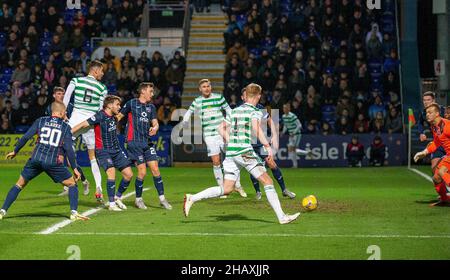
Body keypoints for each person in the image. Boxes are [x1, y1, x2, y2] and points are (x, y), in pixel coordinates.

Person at [183, 83, 300, 224]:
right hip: (244, 151)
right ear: (258, 95)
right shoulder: (255, 111)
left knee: (227, 189)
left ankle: (192, 198)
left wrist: (231, 141)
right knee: (268, 181)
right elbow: (256, 129)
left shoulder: (235, 110)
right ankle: (282, 217)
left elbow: (221, 128)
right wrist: (267, 145)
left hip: (231, 153)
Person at [0, 102, 88, 221]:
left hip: (35, 159)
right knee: (72, 184)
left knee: (19, 184)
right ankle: (74, 212)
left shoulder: (40, 121)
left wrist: (15, 151)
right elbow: (68, 149)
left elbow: (26, 137)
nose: (66, 114)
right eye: (65, 112)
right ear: (61, 112)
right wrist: (75, 168)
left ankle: (2, 211)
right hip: (52, 162)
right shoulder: (66, 127)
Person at [182, 79, 245, 197]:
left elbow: (228, 110)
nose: (206, 88)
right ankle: (222, 190)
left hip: (223, 132)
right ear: (200, 89)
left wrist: (231, 123)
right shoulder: (197, 101)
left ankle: (238, 184)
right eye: (204, 87)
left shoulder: (219, 97)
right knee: (216, 162)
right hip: (209, 135)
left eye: (208, 86)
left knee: (234, 157)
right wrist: (185, 121)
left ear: (211, 87)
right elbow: (189, 112)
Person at [71, 95, 133, 211]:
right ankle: (112, 204)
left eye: (120, 105)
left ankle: (117, 197)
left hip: (117, 150)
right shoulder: (100, 116)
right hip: (103, 151)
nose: (119, 107)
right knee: (111, 173)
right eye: (117, 104)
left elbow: (123, 112)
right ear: (109, 105)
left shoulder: (115, 117)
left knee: (128, 174)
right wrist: (68, 133)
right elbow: (83, 124)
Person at [116, 83, 172, 210]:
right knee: (142, 172)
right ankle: (138, 199)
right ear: (143, 91)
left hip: (147, 142)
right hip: (133, 142)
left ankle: (162, 199)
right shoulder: (131, 103)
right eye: (150, 91)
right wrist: (110, 126)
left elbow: (155, 122)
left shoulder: (151, 107)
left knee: (156, 170)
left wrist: (155, 128)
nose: (152, 94)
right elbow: (119, 116)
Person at [63, 60, 107, 203]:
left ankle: (77, 180)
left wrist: (63, 112)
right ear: (95, 71)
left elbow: (67, 96)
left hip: (75, 120)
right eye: (101, 71)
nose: (103, 73)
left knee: (65, 152)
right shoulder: (102, 88)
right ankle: (98, 187)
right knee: (93, 158)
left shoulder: (76, 80)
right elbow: (101, 110)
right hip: (90, 123)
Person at [241, 88, 297, 200]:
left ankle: (284, 190)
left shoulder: (260, 108)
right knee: (254, 168)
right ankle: (258, 192)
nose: (247, 97)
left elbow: (270, 120)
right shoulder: (240, 110)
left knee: (272, 163)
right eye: (245, 95)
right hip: (248, 145)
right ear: (242, 97)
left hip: (260, 144)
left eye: (249, 95)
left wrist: (273, 135)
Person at [46, 87, 89, 196]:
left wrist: (66, 119)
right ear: (54, 95)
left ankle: (84, 181)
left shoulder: (69, 107)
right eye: (58, 94)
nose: (61, 96)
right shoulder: (50, 107)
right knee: (57, 161)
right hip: (56, 137)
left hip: (69, 136)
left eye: (62, 94)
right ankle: (67, 186)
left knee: (70, 162)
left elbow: (75, 121)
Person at [414, 103, 450, 206]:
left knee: (442, 171)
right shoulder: (434, 127)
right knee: (436, 178)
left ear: (437, 113)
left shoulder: (447, 125)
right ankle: (445, 199)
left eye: (430, 112)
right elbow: (437, 143)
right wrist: (424, 152)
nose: (427, 115)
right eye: (426, 113)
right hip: (448, 156)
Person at [417, 92, 446, 171]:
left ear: (433, 100)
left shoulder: (443, 110)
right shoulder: (423, 113)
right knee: (434, 168)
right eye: (424, 100)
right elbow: (420, 122)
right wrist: (421, 133)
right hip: (437, 143)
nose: (426, 102)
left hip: (447, 143)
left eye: (428, 100)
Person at [281, 103, 311, 168]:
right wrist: (283, 132)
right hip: (291, 135)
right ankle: (295, 164)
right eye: (284, 108)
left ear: (289, 109)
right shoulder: (283, 116)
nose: (284, 109)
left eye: (286, 108)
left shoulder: (293, 116)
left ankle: (306, 153)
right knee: (291, 150)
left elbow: (299, 125)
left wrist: (294, 132)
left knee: (293, 150)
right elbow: (286, 125)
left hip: (296, 134)